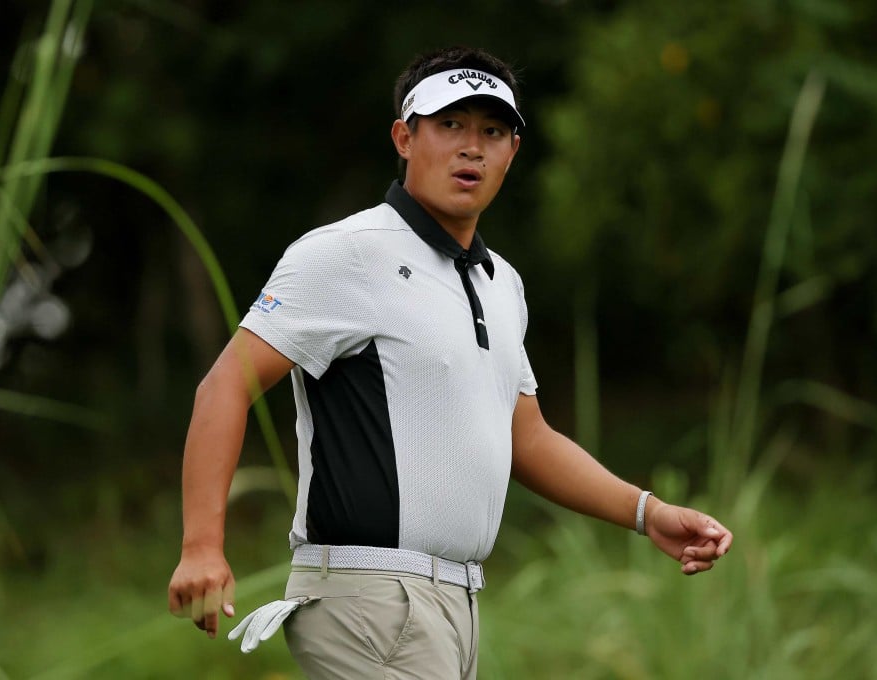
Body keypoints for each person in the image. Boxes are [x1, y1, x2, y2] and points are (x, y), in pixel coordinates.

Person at [167, 45, 733, 679]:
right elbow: (224, 387)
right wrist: (201, 547)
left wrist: (646, 511)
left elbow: (528, 438)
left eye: (492, 131)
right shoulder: (348, 253)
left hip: (456, 604)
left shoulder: (501, 283)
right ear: (404, 138)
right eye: (450, 126)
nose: (472, 147)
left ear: (512, 153)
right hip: (368, 599)